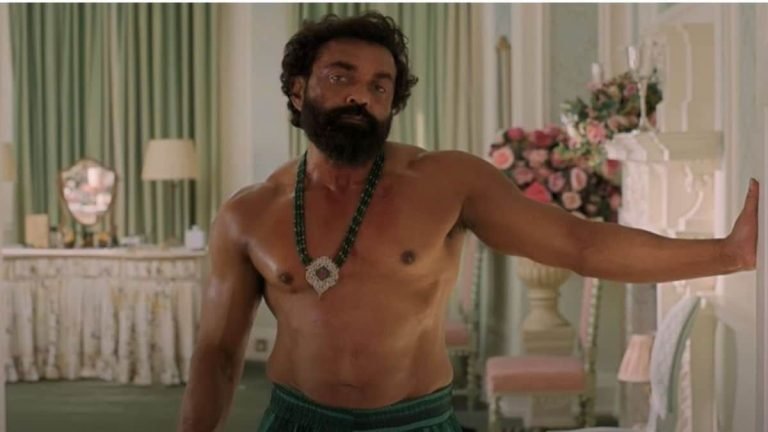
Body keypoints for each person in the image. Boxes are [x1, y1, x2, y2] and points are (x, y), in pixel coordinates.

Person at [177, 12, 759, 432]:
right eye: (340, 77)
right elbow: (218, 352)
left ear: (392, 103)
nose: (361, 96)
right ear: (298, 88)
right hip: (298, 420)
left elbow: (577, 243)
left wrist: (728, 253)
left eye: (380, 85)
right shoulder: (249, 214)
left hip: (417, 421)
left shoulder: (446, 182)